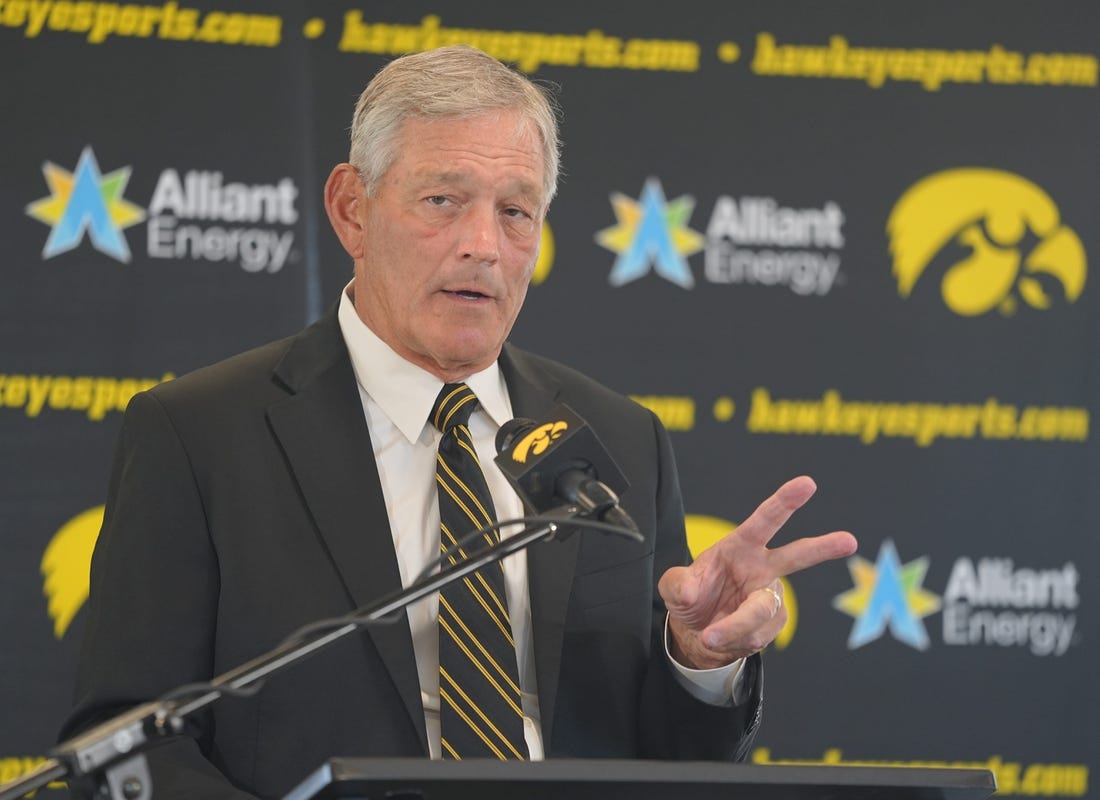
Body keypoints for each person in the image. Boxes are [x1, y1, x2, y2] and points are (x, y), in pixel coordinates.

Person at [62, 45, 857, 799]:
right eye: (442, 201)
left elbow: (669, 759)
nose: (483, 245)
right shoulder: (201, 434)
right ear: (352, 210)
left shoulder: (619, 439)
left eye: (516, 211)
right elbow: (127, 743)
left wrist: (697, 661)